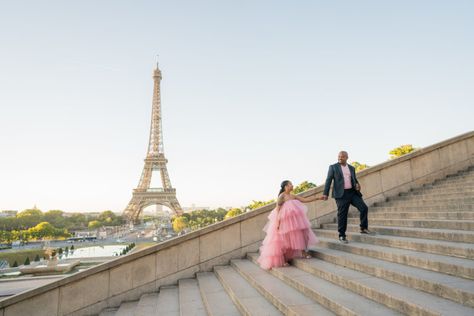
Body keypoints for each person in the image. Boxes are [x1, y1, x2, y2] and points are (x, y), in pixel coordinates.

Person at [257, 180, 324, 270]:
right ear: (285, 186)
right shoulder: (282, 196)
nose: (292, 185)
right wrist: (278, 223)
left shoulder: (293, 196)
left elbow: (304, 200)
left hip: (295, 222)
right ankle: (284, 259)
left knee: (300, 234)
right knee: (284, 239)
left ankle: (303, 252)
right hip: (285, 222)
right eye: (290, 184)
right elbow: (278, 210)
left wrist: (318, 198)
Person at [322, 151, 373, 243]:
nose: (340, 158)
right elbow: (328, 180)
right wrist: (325, 193)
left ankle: (363, 228)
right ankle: (342, 235)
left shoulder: (351, 168)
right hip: (341, 195)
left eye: (342, 157)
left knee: (364, 208)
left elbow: (354, 179)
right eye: (339, 156)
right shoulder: (333, 167)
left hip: (352, 193)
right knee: (342, 215)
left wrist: (357, 184)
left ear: (346, 157)